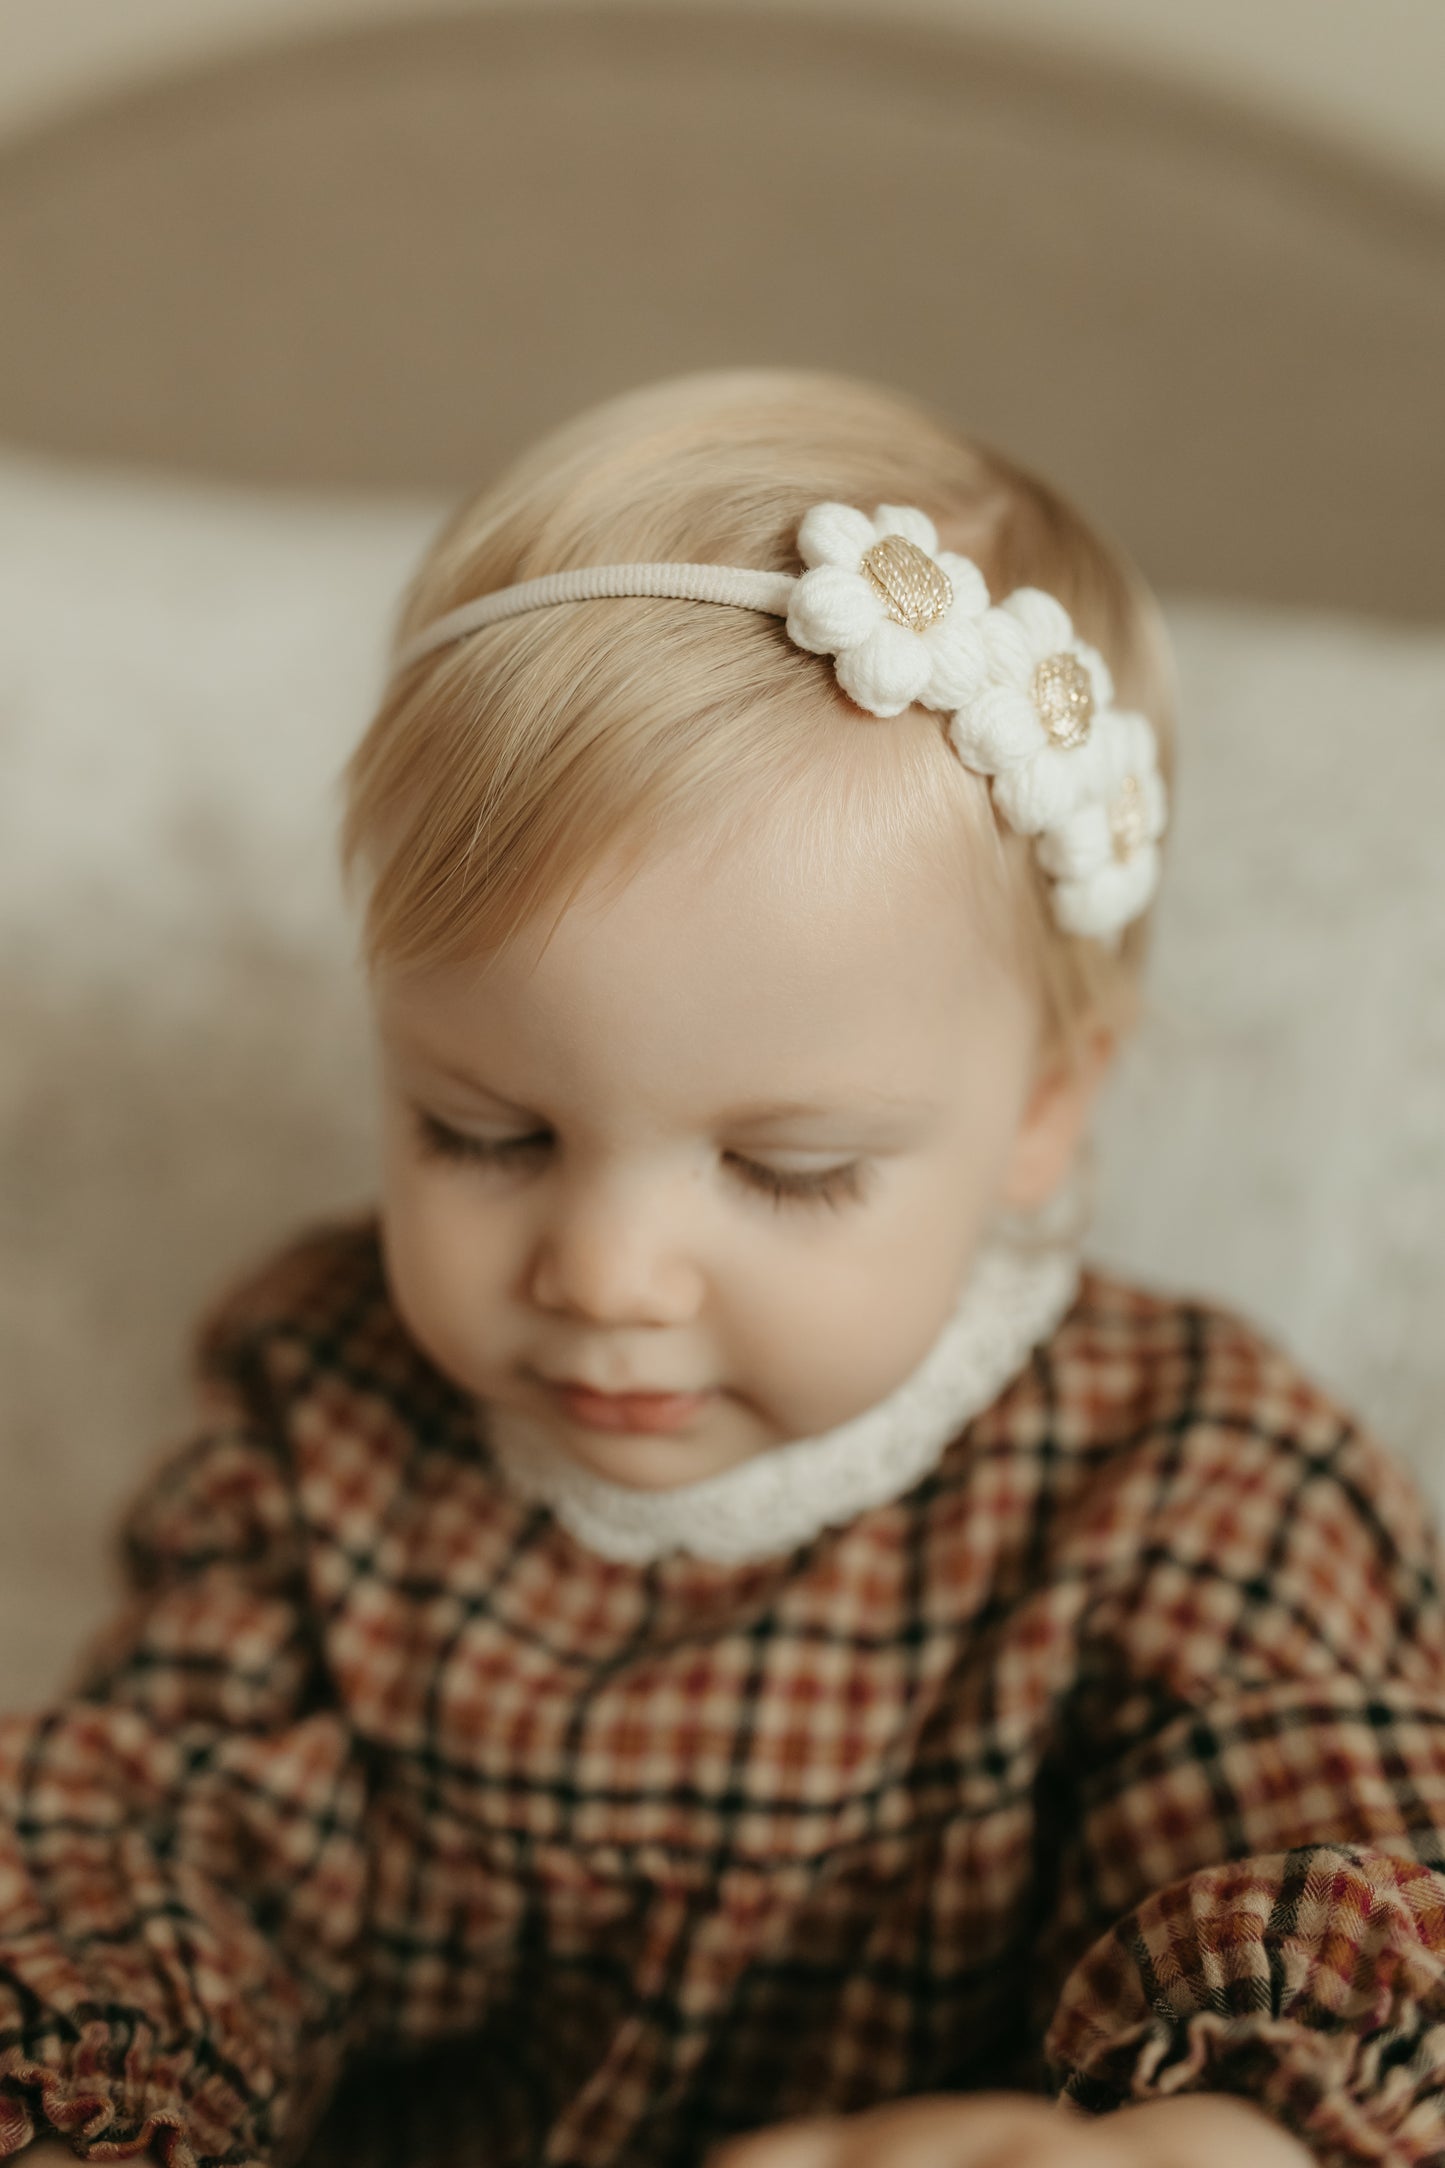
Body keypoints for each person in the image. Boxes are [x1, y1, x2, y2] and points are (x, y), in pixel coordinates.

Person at [3, 368, 1443, 2168]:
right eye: (482, 1133)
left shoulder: (1195, 1487)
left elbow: (1321, 1848)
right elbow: (153, 1852)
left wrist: (1215, 2142)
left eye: (786, 1169)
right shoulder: (331, 1418)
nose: (606, 1274)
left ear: (1045, 1110)